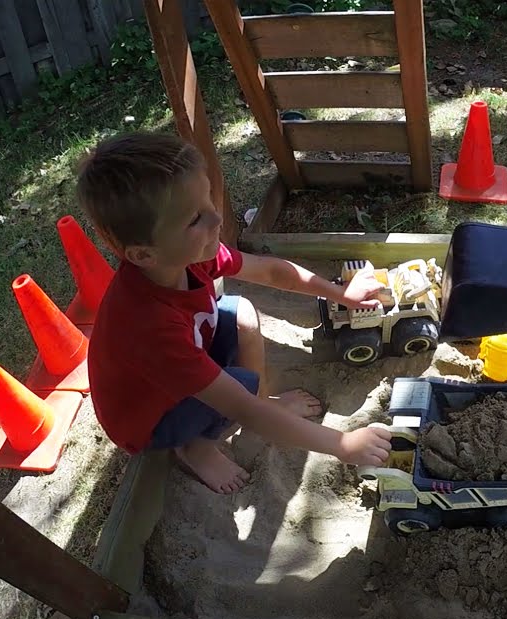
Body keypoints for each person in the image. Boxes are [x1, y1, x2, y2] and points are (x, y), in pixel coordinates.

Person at [75, 132, 392, 494]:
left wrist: (341, 293)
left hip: (182, 360)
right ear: (144, 254)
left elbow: (271, 272)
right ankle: (198, 447)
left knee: (240, 311)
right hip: (153, 419)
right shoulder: (149, 326)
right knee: (242, 385)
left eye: (209, 198)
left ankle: (263, 401)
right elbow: (244, 409)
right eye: (195, 219)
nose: (216, 220)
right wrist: (344, 445)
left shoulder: (187, 257)